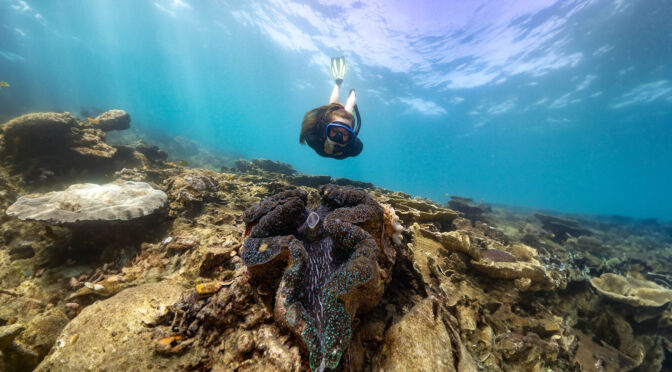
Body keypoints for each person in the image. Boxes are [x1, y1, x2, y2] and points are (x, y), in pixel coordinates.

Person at [300, 56, 363, 159]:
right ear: (326, 129)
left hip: (341, 117)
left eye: (345, 134)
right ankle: (338, 84)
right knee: (334, 105)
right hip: (331, 114)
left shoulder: (355, 148)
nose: (338, 138)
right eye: (334, 131)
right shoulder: (312, 137)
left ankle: (351, 93)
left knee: (348, 109)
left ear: (351, 137)